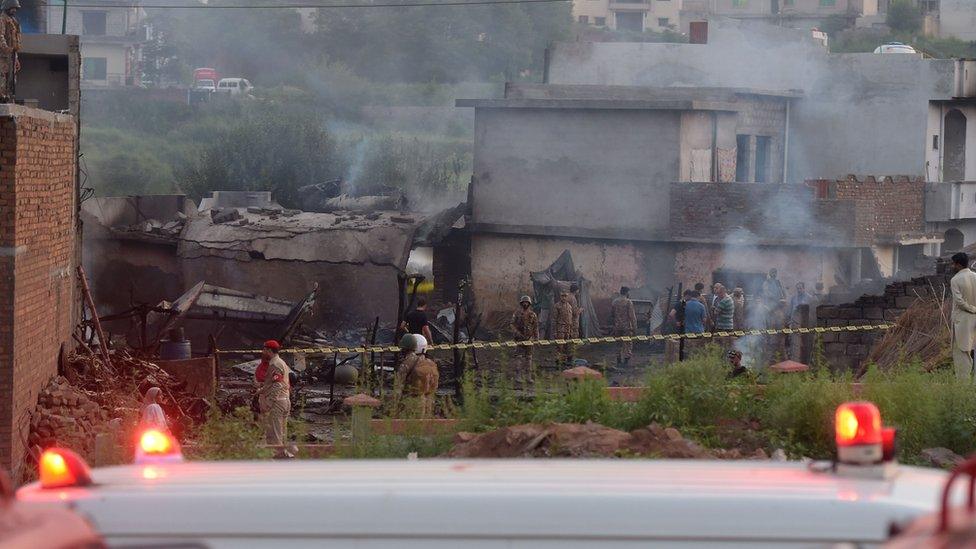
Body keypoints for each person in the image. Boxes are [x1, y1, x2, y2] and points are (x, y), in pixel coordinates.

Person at [256, 340, 293, 458]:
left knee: (275, 435)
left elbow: (277, 385)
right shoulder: (282, 362)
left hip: (277, 402)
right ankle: (284, 455)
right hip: (285, 400)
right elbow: (275, 383)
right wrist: (260, 391)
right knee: (282, 433)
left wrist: (269, 402)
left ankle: (278, 459)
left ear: (269, 350)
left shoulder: (275, 364)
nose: (263, 352)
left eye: (264, 349)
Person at [394, 334, 440, 417]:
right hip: (427, 403)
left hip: (411, 402)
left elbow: (398, 388)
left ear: (404, 349)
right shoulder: (427, 361)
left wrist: (395, 408)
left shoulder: (406, 363)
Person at [950, 252, 976, 380]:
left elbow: (959, 302)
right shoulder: (975, 276)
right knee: (971, 350)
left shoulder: (955, 279)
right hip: (974, 321)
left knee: (961, 352)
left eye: (953, 263)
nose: (952, 266)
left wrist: (973, 309)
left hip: (963, 321)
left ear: (958, 264)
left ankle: (962, 384)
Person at [509, 295, 539, 386]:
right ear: (521, 303)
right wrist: (517, 333)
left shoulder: (533, 314)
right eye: (524, 302)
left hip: (529, 339)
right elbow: (512, 324)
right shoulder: (517, 313)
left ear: (529, 303)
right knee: (518, 357)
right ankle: (518, 376)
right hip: (519, 339)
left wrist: (536, 338)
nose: (525, 304)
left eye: (527, 302)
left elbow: (536, 327)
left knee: (529, 358)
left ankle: (528, 377)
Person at [610, 286, 637, 366]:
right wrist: (635, 327)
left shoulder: (614, 302)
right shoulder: (628, 302)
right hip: (627, 327)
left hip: (617, 326)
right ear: (627, 292)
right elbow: (632, 316)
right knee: (627, 343)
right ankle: (625, 361)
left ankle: (618, 360)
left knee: (618, 343)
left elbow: (612, 315)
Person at [0, 0, 20, 104]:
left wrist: (16, 58)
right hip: (2, 56)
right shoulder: (2, 20)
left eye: (15, 8)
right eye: (12, 8)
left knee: (11, 80)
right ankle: (2, 98)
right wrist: (6, 48)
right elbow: (0, 36)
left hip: (11, 56)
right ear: (7, 7)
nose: (14, 10)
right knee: (3, 76)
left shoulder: (14, 22)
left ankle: (7, 98)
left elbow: (15, 42)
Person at [551, 291, 575, 365]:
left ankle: (565, 361)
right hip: (560, 328)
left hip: (568, 329)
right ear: (560, 296)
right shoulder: (557, 306)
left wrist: (571, 330)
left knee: (567, 345)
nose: (564, 298)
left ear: (567, 297)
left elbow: (571, 319)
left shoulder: (569, 306)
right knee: (559, 346)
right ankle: (558, 361)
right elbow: (554, 319)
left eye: (565, 296)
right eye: (562, 296)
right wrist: (554, 331)